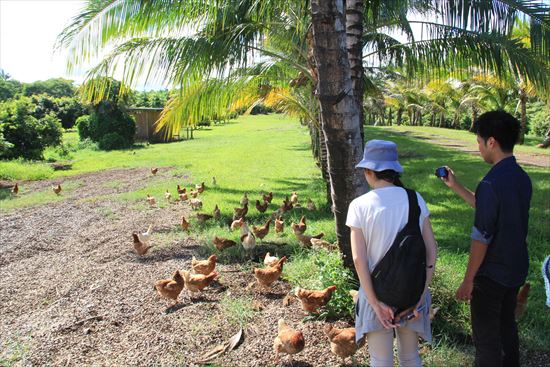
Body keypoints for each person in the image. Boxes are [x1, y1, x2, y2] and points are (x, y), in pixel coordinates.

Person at [440, 110, 532, 367]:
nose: (478, 148)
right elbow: (491, 210)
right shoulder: (521, 178)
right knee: (506, 327)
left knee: (487, 341)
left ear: (491, 142)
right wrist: (455, 185)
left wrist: (468, 280)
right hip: (515, 269)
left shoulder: (491, 183)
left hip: (491, 275)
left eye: (479, 142)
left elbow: (482, 236)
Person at [347, 139, 438, 367]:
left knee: (381, 361)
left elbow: (359, 259)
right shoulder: (415, 199)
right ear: (394, 170)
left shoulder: (359, 205)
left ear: (368, 171)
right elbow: (432, 252)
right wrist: (419, 297)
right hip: (412, 292)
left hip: (375, 293)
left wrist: (376, 304)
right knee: (410, 357)